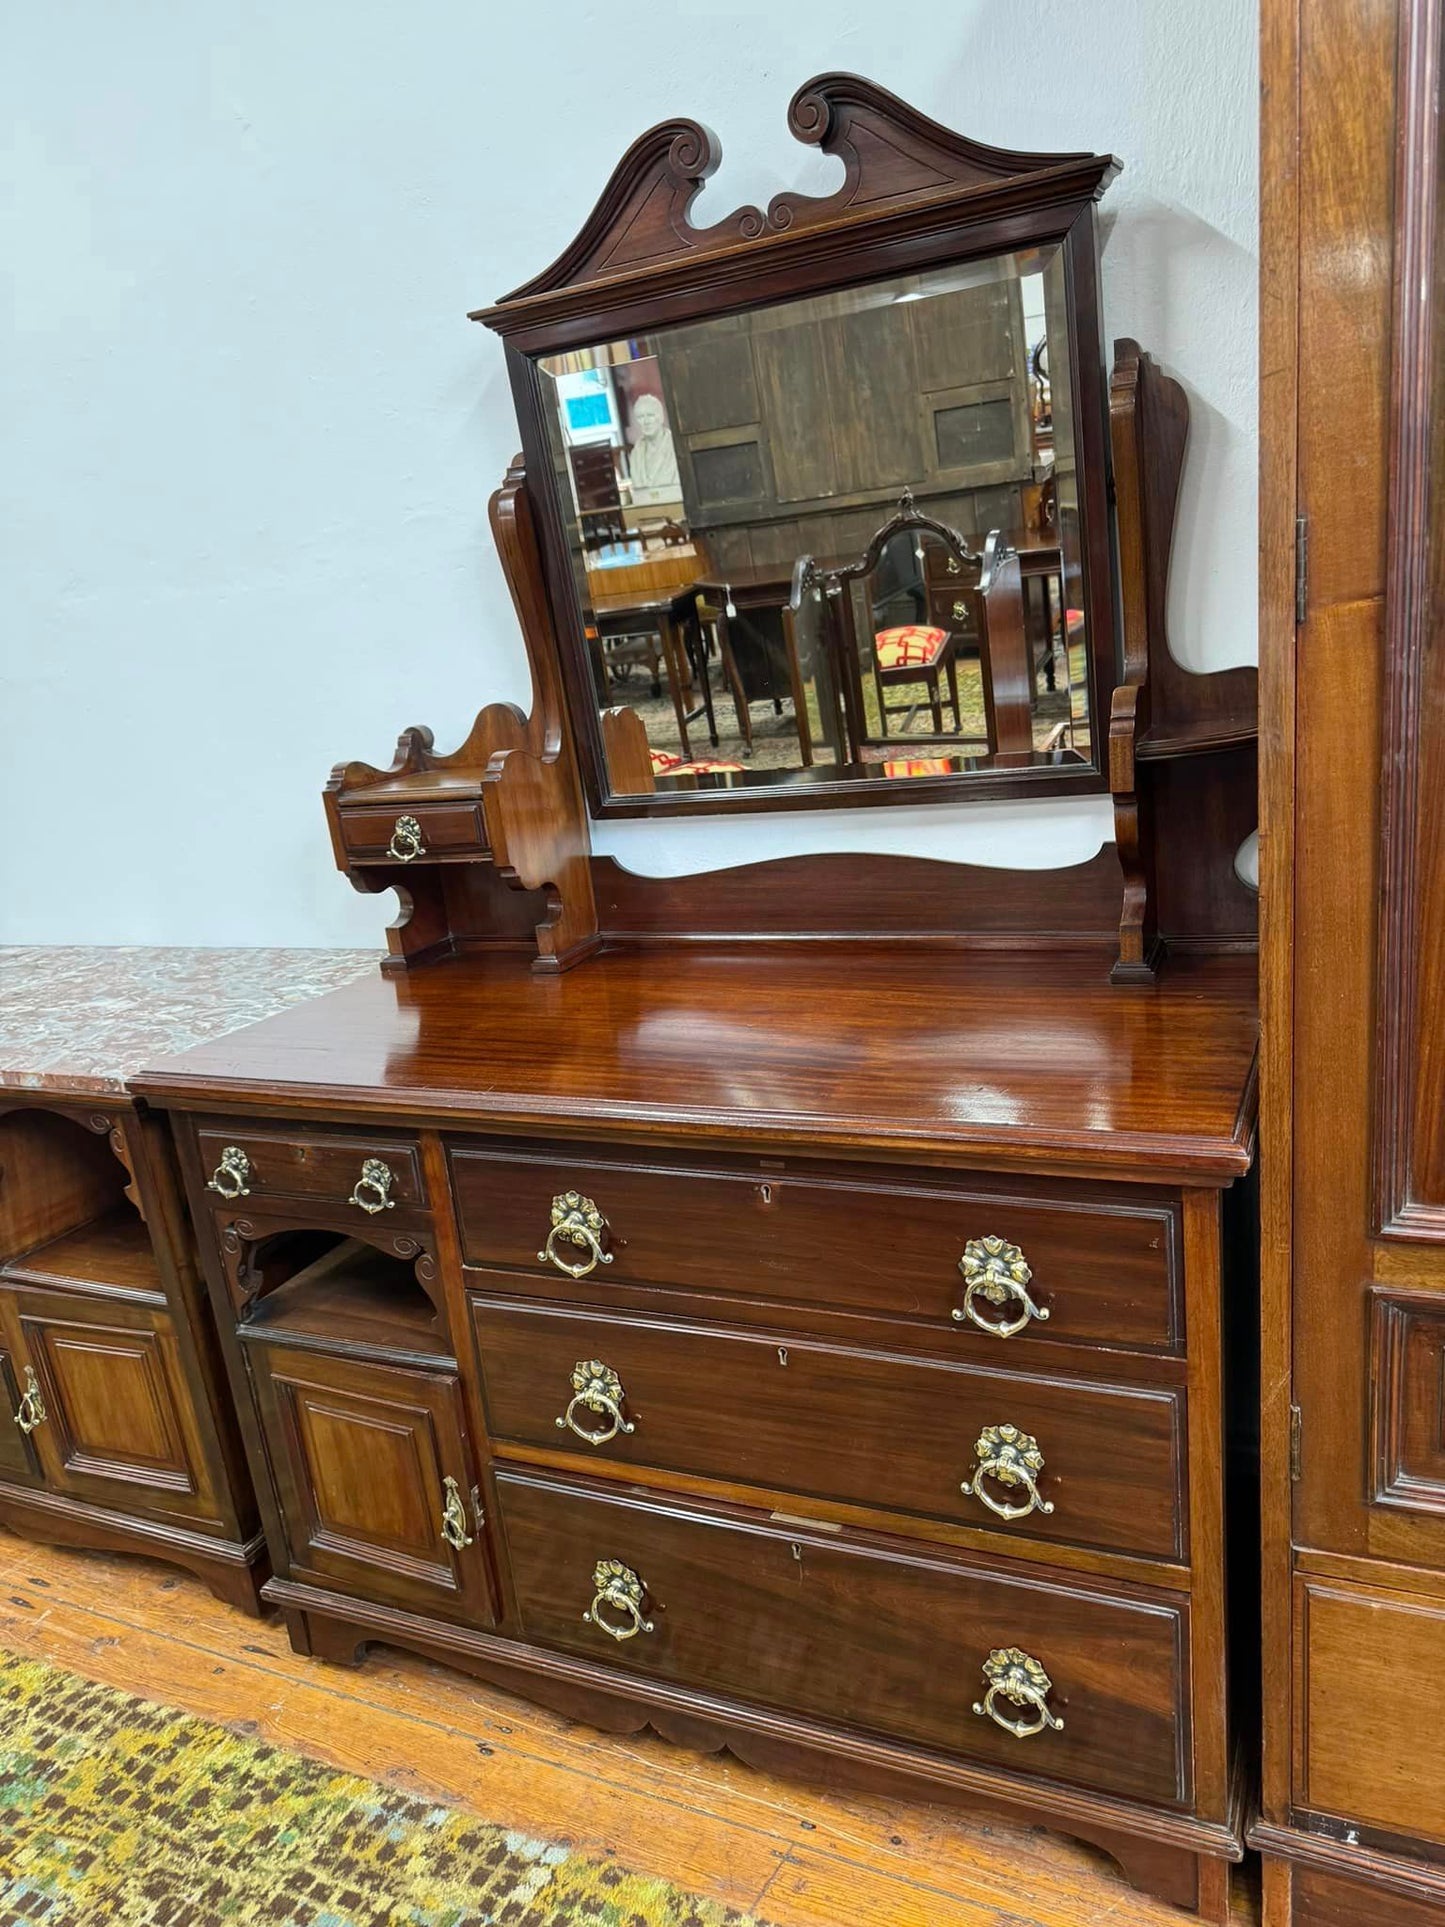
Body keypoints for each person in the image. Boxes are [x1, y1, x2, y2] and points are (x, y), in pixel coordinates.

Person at [627, 391, 681, 503]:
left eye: (650, 415)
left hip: (674, 503)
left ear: (661, 417)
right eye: (641, 417)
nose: (646, 421)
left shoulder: (676, 447)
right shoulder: (635, 454)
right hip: (646, 508)